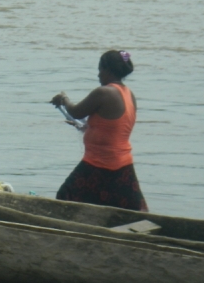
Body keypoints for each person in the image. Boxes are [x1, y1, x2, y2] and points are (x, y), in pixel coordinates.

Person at [50, 50, 148, 212]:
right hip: (122, 163)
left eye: (100, 70)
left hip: (100, 163)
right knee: (131, 210)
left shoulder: (104, 92)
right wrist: (84, 127)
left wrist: (63, 99)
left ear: (108, 70)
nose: (98, 75)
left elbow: (75, 111)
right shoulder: (129, 94)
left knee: (66, 197)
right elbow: (113, 129)